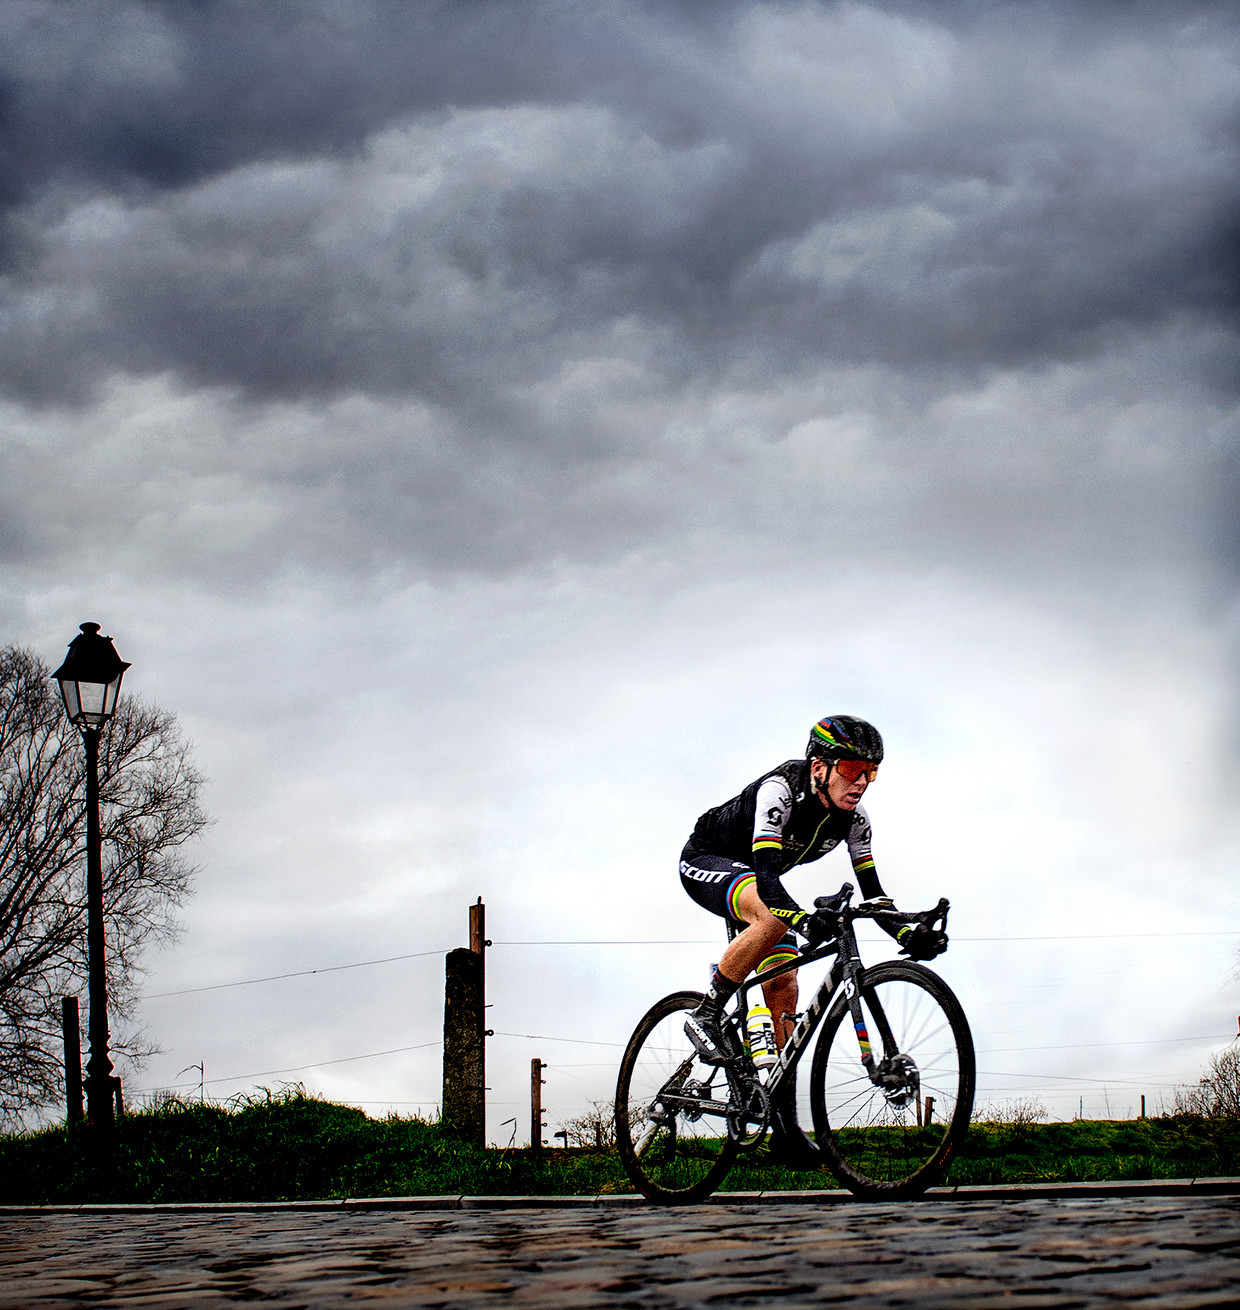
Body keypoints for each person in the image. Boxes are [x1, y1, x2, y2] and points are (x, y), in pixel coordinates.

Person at [678, 714, 912, 1168]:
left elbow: (875, 893)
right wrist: (804, 922)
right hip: (709, 859)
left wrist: (909, 930)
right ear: (819, 765)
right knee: (772, 923)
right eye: (851, 769)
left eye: (871, 772)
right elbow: (765, 877)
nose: (861, 782)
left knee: (784, 989)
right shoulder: (780, 791)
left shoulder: (855, 820)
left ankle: (783, 1126)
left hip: (757, 882)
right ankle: (708, 1012)